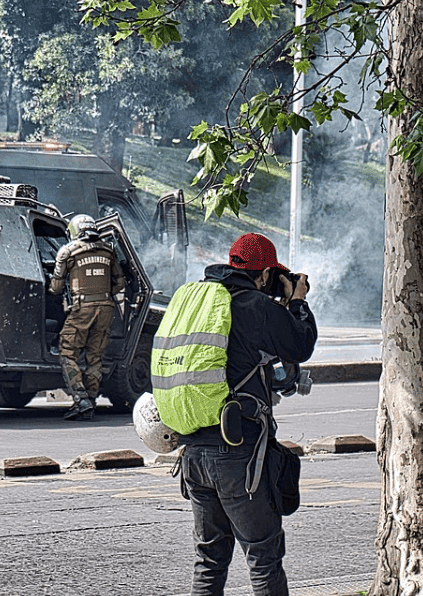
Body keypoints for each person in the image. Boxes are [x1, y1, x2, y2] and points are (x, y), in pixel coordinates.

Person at [176, 232, 316, 596]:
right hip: (237, 453)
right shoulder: (253, 306)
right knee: (263, 557)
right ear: (266, 272)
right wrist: (296, 300)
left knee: (209, 559)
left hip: (192, 450)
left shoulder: (204, 300)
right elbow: (300, 344)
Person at [47, 214, 125, 421]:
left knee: (67, 352)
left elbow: (55, 288)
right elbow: (120, 283)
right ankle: (90, 400)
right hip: (106, 308)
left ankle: (80, 400)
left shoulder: (67, 251)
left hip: (82, 309)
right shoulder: (109, 250)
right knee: (95, 357)